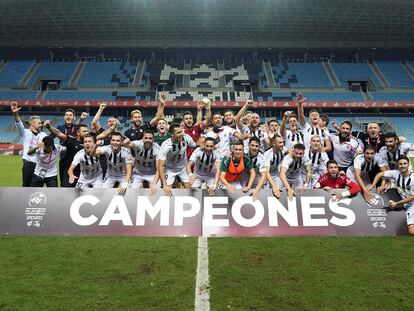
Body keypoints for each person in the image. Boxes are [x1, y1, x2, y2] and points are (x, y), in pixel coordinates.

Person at [370, 156, 414, 235]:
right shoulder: (395, 173)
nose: (403, 166)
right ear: (397, 165)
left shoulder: (413, 179)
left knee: (411, 231)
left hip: (412, 205)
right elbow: (380, 174)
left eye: (405, 164)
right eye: (400, 164)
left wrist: (396, 204)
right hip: (406, 205)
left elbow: (412, 197)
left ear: (408, 164)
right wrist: (373, 185)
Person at [10, 102, 47, 186]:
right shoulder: (25, 133)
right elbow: (19, 124)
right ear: (32, 123)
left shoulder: (44, 135)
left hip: (41, 165)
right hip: (28, 164)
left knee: (39, 186)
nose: (41, 125)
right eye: (39, 123)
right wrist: (15, 113)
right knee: (26, 186)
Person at [44, 120, 90, 187]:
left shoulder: (89, 143)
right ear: (78, 133)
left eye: (88, 131)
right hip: (70, 172)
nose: (87, 133)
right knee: (67, 193)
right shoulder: (72, 141)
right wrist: (50, 127)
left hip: (85, 173)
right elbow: (60, 135)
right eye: (84, 131)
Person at [158, 123, 197, 196]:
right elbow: (160, 166)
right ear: (172, 134)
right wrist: (164, 184)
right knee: (167, 191)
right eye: (178, 132)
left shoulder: (187, 138)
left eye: (181, 131)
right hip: (170, 169)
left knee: (189, 190)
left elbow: (195, 146)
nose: (182, 134)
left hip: (183, 168)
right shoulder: (166, 146)